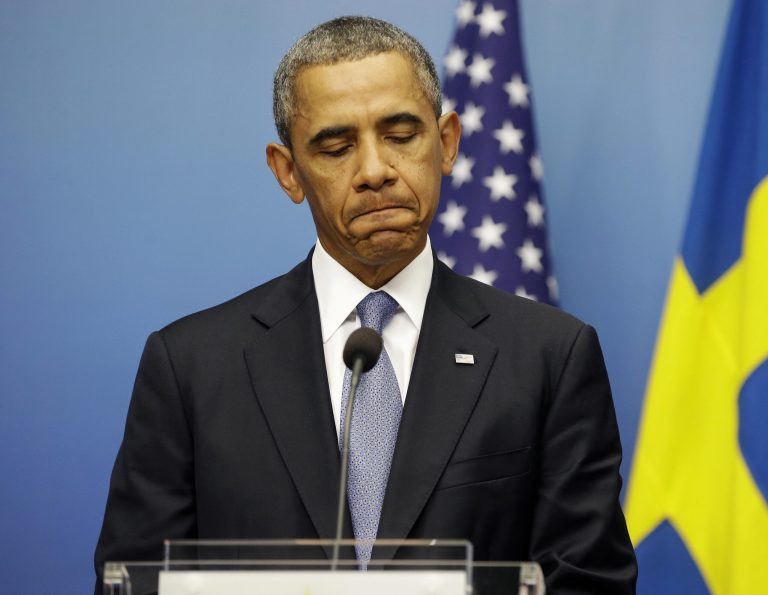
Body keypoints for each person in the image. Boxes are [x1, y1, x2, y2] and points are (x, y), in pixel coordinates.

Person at [95, 16, 637, 593]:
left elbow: (589, 581)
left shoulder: (549, 356)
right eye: (335, 146)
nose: (375, 171)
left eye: (402, 136)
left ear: (447, 142)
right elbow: (136, 580)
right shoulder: (191, 367)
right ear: (288, 173)